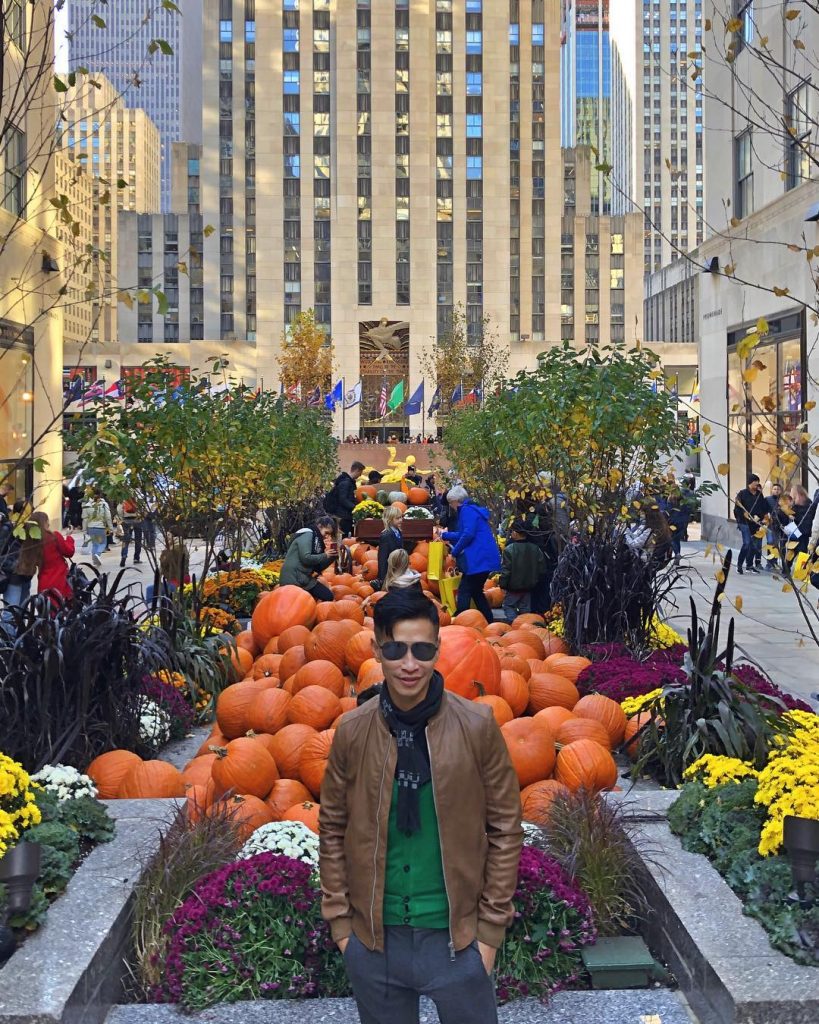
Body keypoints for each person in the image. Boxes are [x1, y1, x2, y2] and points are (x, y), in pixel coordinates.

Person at [320, 588, 522, 1024]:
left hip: (457, 939)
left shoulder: (477, 726)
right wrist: (341, 928)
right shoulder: (353, 732)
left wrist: (487, 937)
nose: (409, 664)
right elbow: (333, 827)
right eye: (395, 649)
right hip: (375, 943)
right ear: (376, 649)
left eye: (422, 649)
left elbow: (506, 828)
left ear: (437, 649)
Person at [441, 486, 501, 621]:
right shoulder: (471, 510)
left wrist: (455, 552)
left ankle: (460, 620)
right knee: (476, 591)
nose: (451, 506)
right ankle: (488, 620)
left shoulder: (466, 511)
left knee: (465, 590)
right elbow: (464, 533)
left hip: (477, 559)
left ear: (457, 501)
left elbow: (468, 534)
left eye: (451, 502)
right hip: (484, 558)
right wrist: (445, 535)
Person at [280, 515, 338, 601]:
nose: (326, 536)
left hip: (304, 578)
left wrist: (331, 558)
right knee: (303, 601)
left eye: (329, 534)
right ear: (319, 526)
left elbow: (317, 567)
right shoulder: (307, 535)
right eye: (326, 533)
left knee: (328, 596)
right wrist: (325, 555)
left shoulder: (316, 539)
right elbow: (306, 558)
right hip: (294, 578)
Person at [499, 520, 546, 624]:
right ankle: (525, 626)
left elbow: (506, 570)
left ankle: (515, 624)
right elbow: (541, 568)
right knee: (525, 609)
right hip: (529, 586)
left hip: (513, 587)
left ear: (515, 533)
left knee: (508, 606)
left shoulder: (509, 549)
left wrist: (502, 584)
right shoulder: (535, 549)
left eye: (511, 532)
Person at [31, 511, 75, 602]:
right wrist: (69, 538)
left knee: (47, 608)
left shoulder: (32, 540)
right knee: (60, 607)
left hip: (43, 579)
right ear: (45, 522)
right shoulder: (54, 536)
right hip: (59, 577)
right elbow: (69, 552)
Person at [0, 501, 35, 609]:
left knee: (23, 610)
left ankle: (19, 627)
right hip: (13, 576)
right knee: (11, 612)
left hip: (26, 574)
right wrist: (14, 566)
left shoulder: (30, 529)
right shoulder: (8, 528)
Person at [733, 474, 768, 575]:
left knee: (754, 545)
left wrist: (763, 518)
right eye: (755, 481)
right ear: (749, 483)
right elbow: (737, 508)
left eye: (758, 481)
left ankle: (749, 565)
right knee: (747, 543)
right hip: (744, 522)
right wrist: (743, 516)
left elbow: (763, 507)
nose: (757, 483)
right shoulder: (742, 494)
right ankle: (739, 565)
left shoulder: (759, 494)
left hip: (756, 523)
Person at [325, 461, 365, 536]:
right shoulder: (346, 483)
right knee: (343, 536)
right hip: (343, 516)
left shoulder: (347, 482)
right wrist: (356, 507)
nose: (360, 475)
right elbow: (343, 499)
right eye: (360, 473)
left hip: (345, 515)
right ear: (357, 470)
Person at [82, 488, 113, 567]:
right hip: (101, 527)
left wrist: (84, 530)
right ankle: (97, 555)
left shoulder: (87, 505)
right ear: (100, 495)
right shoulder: (103, 504)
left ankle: (95, 561)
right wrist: (111, 528)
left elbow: (85, 519)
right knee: (103, 543)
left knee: (95, 544)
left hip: (91, 527)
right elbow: (108, 517)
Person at [377, 506, 404, 589]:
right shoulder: (386, 535)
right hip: (389, 569)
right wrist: (383, 578)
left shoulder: (398, 532)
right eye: (397, 518)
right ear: (390, 520)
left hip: (397, 568)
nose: (401, 520)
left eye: (401, 517)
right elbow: (382, 558)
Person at [765, 483, 788, 571]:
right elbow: (764, 510)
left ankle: (774, 562)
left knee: (777, 544)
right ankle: (770, 562)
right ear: (771, 490)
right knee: (770, 542)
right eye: (774, 489)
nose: (776, 490)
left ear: (781, 491)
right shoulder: (767, 499)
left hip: (780, 525)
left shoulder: (783, 500)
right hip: (770, 524)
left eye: (778, 489)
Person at [790, 484, 816, 556]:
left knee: (801, 550)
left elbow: (807, 517)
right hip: (799, 531)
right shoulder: (804, 502)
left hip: (802, 531)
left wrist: (794, 517)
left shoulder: (807, 503)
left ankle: (800, 566)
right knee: (799, 550)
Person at [117, 496, 143, 567]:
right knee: (138, 540)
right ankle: (136, 558)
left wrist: (122, 518)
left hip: (126, 520)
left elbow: (119, 509)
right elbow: (143, 509)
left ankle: (124, 556)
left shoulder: (124, 498)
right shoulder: (138, 497)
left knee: (125, 540)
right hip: (137, 520)